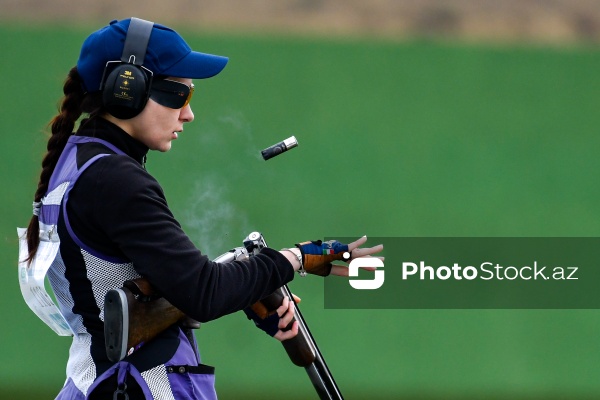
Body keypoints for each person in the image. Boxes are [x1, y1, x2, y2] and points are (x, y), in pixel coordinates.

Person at [22, 17, 382, 400]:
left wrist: (248, 285)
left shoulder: (83, 160)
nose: (188, 113)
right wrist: (298, 258)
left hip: (102, 382)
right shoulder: (114, 179)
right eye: (179, 95)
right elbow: (202, 291)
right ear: (127, 89)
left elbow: (145, 291)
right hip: (142, 385)